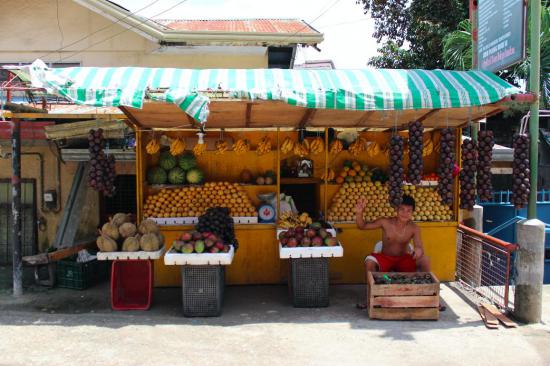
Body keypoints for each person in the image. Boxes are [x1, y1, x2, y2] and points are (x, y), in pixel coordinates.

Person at [355, 194, 442, 310]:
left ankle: (430, 297)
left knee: (425, 259)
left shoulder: (414, 228)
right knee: (369, 261)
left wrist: (418, 251)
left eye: (408, 211)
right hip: (385, 258)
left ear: (412, 213)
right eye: (402, 209)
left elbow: (419, 247)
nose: (405, 213)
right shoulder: (385, 222)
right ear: (396, 209)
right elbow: (362, 226)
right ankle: (369, 298)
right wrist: (359, 213)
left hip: (403, 259)